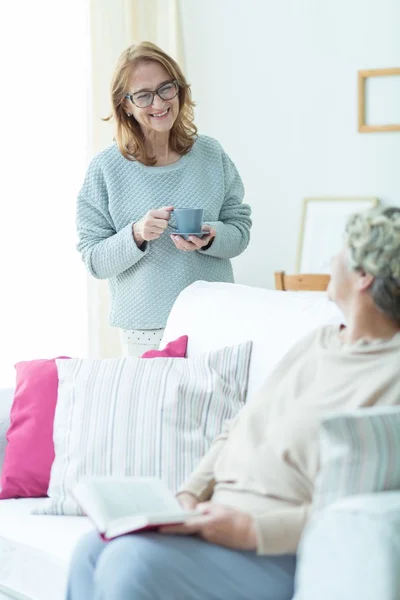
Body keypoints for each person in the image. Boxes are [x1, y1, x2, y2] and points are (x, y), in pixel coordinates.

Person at [66, 206, 400, 600]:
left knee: (131, 562)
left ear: (363, 276)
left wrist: (251, 530)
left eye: (341, 252)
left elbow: (367, 513)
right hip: (212, 519)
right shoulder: (320, 342)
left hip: (278, 547)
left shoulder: (390, 373)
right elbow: (239, 426)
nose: (332, 261)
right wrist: (189, 495)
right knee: (90, 550)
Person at [76, 42, 251, 357]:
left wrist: (211, 236)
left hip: (217, 318)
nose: (158, 102)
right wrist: (137, 234)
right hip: (145, 331)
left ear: (179, 90)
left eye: (165, 89)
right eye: (143, 95)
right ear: (126, 105)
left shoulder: (211, 155)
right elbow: (94, 260)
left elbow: (240, 232)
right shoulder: (105, 169)